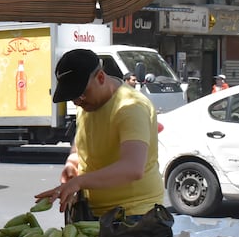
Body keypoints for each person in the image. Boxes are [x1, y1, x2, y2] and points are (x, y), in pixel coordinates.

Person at [34, 48, 163, 222]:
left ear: (101, 77)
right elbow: (82, 144)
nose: (77, 102)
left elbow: (132, 168)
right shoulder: (87, 105)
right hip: (92, 211)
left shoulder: (131, 107)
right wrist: (72, 164)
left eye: (81, 94)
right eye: (73, 97)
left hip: (133, 215)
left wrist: (79, 182)